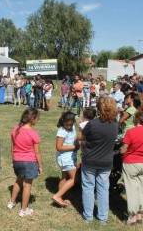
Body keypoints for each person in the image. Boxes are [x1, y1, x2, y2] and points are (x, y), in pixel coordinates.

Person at [77, 96, 119, 224]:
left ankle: (88, 216)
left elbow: (80, 137)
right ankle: (103, 217)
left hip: (90, 160)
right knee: (103, 189)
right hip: (106, 161)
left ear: (99, 108)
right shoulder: (116, 125)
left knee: (88, 187)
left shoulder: (92, 124)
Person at [7, 108, 43, 217]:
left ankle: (11, 202)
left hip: (17, 160)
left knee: (18, 181)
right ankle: (23, 210)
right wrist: (40, 166)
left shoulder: (15, 129)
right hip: (29, 162)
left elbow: (12, 147)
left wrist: (14, 159)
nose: (37, 120)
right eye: (37, 118)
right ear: (32, 119)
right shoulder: (33, 133)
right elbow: (37, 153)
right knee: (27, 186)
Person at [120, 109, 143, 225]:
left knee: (131, 189)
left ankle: (132, 215)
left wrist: (121, 150)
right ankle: (140, 213)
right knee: (141, 188)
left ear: (137, 118)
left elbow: (124, 148)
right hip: (142, 162)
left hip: (131, 162)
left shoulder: (131, 131)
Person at [52, 112, 79, 207]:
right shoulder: (62, 131)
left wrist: (76, 144)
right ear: (63, 122)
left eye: (71, 125)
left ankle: (60, 198)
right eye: (67, 125)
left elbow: (74, 138)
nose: (69, 127)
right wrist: (73, 147)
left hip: (70, 157)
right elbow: (59, 147)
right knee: (74, 178)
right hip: (65, 158)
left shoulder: (73, 127)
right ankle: (57, 196)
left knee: (64, 177)